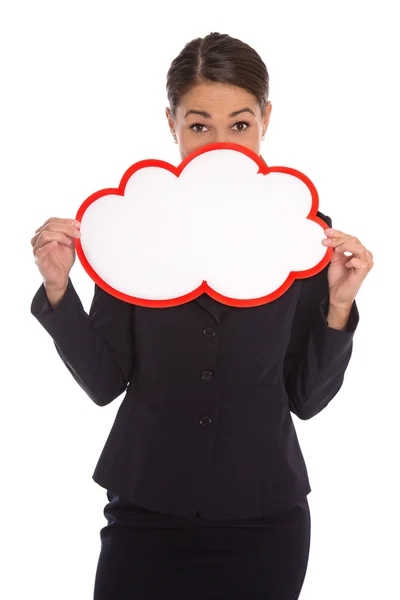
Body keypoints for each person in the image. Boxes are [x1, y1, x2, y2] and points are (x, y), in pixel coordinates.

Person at [30, 32, 373, 600]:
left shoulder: (304, 232)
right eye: (198, 125)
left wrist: (339, 306)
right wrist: (59, 289)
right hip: (147, 509)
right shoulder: (130, 226)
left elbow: (306, 399)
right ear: (171, 123)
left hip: (265, 517)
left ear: (266, 118)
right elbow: (104, 382)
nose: (221, 144)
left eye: (240, 124)